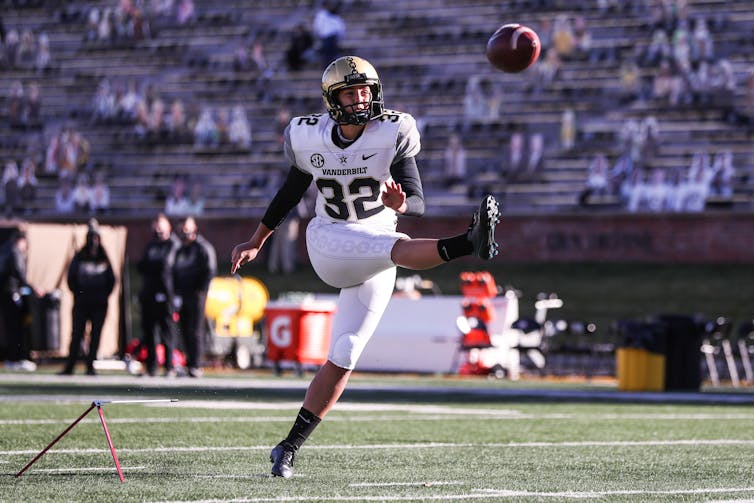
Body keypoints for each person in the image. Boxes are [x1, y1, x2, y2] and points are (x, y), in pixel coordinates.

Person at [230, 56, 501, 479]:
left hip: (376, 247)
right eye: (350, 92)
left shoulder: (391, 132)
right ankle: (468, 243)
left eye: (364, 91)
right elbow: (289, 193)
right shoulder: (309, 137)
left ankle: (287, 447)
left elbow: (417, 200)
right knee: (395, 247)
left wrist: (402, 204)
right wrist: (256, 240)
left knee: (345, 353)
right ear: (332, 99)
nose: (359, 99)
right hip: (330, 243)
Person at [60, 219, 115, 375]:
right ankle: (70, 366)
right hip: (82, 303)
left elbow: (112, 280)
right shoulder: (80, 256)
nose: (93, 241)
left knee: (95, 336)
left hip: (99, 304)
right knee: (77, 334)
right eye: (91, 237)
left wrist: (102, 296)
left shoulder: (104, 257)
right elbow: (71, 278)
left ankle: (90, 366)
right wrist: (79, 294)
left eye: (95, 237)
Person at [167, 216, 216, 378]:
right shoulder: (180, 249)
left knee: (195, 330)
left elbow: (210, 271)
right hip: (182, 295)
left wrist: (201, 290)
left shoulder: (202, 248)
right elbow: (173, 272)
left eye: (187, 229)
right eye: (182, 229)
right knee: (184, 329)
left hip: (197, 295)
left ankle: (196, 364)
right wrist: (176, 292)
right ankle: (188, 362)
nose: (184, 232)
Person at [137, 213, 179, 377]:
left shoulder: (174, 245)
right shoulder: (151, 245)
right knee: (150, 333)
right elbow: (142, 265)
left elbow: (165, 265)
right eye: (156, 226)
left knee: (167, 332)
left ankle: (169, 367)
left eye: (161, 226)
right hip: (149, 294)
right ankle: (151, 367)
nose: (158, 230)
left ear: (168, 227)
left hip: (166, 295)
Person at [0, 230, 38, 371]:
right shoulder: (14, 251)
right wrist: (33, 288)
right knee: (16, 328)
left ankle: (12, 358)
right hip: (11, 293)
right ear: (21, 240)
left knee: (10, 328)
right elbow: (19, 273)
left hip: (6, 293)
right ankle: (16, 358)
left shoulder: (5, 249)